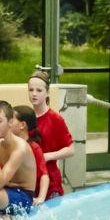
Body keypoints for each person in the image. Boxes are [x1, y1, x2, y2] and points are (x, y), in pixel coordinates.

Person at [26, 71, 74, 199]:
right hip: (29, 182)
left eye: (39, 90)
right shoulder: (25, 117)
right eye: (31, 90)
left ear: (47, 93)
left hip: (51, 183)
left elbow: (70, 149)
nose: (34, 94)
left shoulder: (55, 119)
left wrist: (46, 156)